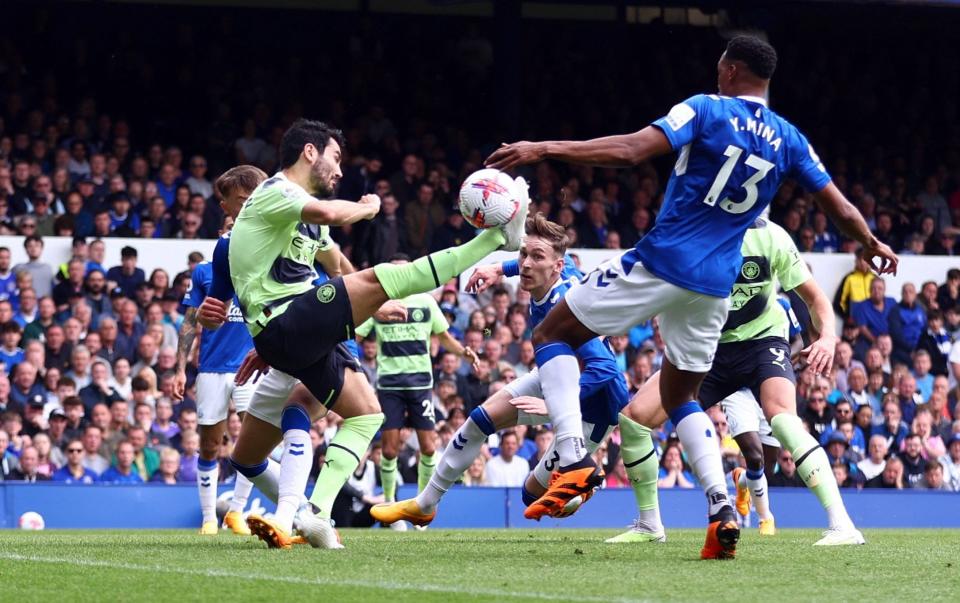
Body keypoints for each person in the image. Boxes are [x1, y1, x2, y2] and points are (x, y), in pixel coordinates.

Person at [484, 35, 895, 558]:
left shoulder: (705, 108)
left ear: (730, 69)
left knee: (551, 332)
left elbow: (632, 150)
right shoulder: (789, 138)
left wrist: (544, 148)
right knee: (679, 397)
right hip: (714, 288)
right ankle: (722, 509)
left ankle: (571, 455)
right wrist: (871, 242)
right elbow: (837, 205)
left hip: (665, 259)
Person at [198, 119, 526, 550]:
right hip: (289, 321)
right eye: (335, 157)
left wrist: (369, 299)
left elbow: (334, 263)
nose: (339, 170)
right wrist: (370, 206)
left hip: (293, 331)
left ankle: (312, 514)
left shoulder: (302, 221)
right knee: (390, 274)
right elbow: (332, 213)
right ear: (310, 152)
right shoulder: (277, 191)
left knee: (361, 416)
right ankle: (495, 240)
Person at [371, 214, 641, 537]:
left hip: (594, 405)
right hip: (554, 374)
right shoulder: (557, 270)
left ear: (556, 268)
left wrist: (558, 406)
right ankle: (424, 505)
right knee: (478, 421)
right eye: (524, 254)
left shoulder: (569, 304)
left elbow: (606, 369)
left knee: (532, 495)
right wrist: (497, 269)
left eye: (536, 257)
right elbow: (529, 261)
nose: (525, 264)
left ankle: (586, 482)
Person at [354, 253, 479, 529]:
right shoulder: (380, 305)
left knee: (428, 446)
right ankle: (389, 506)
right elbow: (357, 336)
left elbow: (444, 337)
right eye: (394, 271)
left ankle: (422, 508)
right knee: (389, 450)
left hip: (421, 386)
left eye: (404, 271)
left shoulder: (426, 302)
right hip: (389, 387)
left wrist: (464, 352)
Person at [174, 166, 262, 536]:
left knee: (254, 443)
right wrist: (180, 368)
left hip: (250, 366)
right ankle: (210, 518)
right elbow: (190, 321)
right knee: (210, 445)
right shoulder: (205, 272)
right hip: (210, 368)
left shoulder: (261, 265)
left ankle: (236, 511)